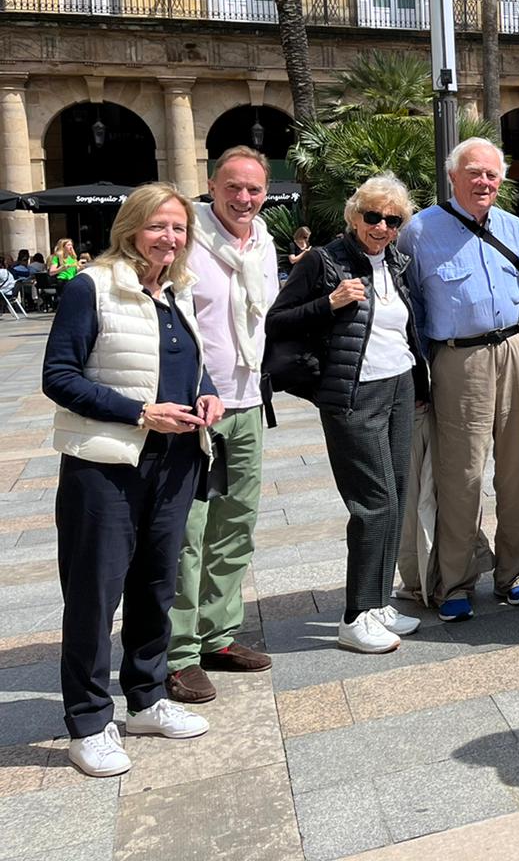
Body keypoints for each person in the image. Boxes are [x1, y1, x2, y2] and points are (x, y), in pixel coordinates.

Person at [42, 183, 224, 777]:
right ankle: (89, 722)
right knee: (95, 594)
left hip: (174, 461)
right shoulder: (90, 287)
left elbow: (188, 367)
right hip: (107, 465)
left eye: (178, 229)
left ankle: (146, 698)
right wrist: (140, 413)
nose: (170, 238)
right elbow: (58, 376)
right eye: (158, 226)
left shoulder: (179, 293)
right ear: (131, 229)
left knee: (156, 585)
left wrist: (208, 395)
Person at [266, 174, 429, 653]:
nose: (381, 226)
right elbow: (277, 322)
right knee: (372, 503)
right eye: (372, 216)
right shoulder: (323, 261)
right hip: (352, 393)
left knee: (396, 496)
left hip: (398, 384)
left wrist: (417, 383)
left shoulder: (396, 262)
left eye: (392, 219)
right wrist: (329, 303)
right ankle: (355, 615)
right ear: (353, 215)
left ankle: (378, 603)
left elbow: (402, 328)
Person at [397, 138, 519, 623]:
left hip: (517, 348)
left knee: (517, 471)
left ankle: (515, 573)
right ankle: (454, 580)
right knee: (463, 475)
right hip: (459, 360)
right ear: (452, 176)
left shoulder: (515, 228)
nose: (484, 182)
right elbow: (408, 305)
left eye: (492, 175)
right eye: (474, 173)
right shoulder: (418, 231)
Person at [165, 147, 278, 704]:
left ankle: (218, 634)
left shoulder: (263, 242)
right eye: (233, 187)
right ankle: (179, 653)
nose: (244, 199)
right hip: (194, 408)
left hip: (248, 403)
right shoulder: (185, 237)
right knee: (187, 532)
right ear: (212, 185)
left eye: (254, 189)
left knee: (236, 526)